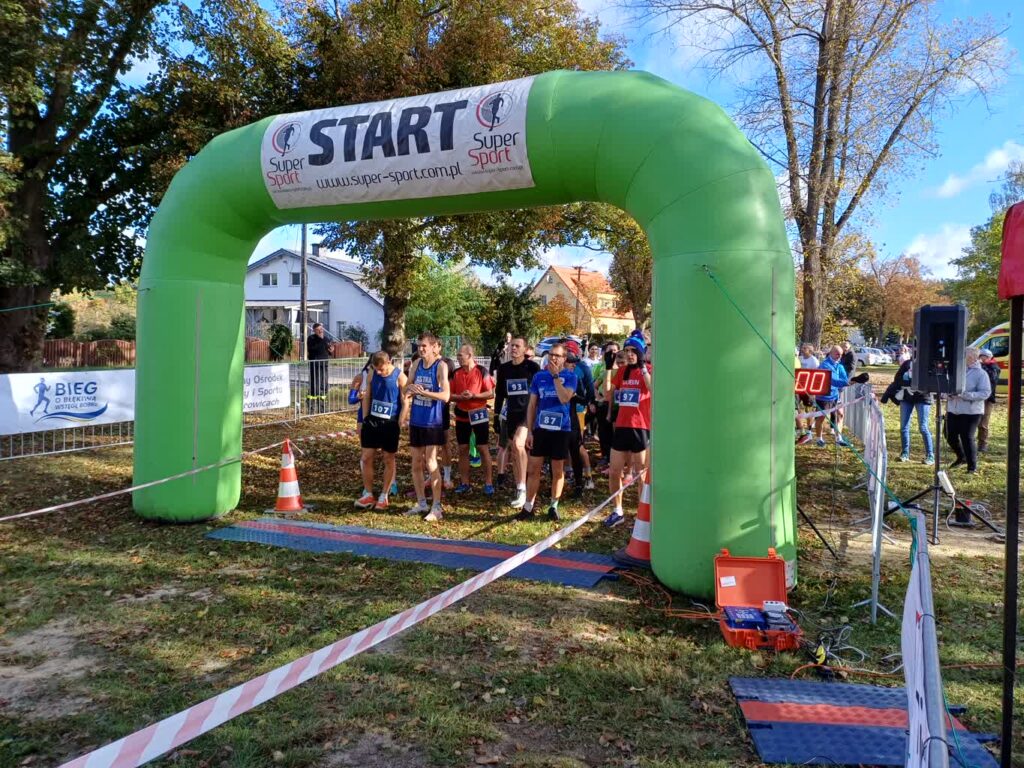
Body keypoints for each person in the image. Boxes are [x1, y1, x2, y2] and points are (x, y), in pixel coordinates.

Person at [518, 343, 577, 521]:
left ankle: (553, 505)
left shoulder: (570, 376)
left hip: (561, 429)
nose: (553, 358)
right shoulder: (539, 377)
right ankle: (528, 506)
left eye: (558, 355)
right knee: (533, 468)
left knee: (557, 470)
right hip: (541, 429)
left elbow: (565, 398)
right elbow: (532, 405)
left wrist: (556, 377)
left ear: (564, 358)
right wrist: (529, 431)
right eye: (551, 354)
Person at [603, 332, 652, 527]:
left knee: (641, 474)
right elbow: (607, 393)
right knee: (615, 471)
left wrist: (643, 368)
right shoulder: (622, 372)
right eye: (628, 351)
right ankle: (618, 510)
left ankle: (642, 515)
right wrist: (608, 368)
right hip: (622, 426)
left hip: (641, 427)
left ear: (641, 353)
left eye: (634, 351)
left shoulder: (648, 369)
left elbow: (652, 389)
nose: (630, 354)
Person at [404, 333, 450, 521]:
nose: (421, 349)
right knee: (416, 463)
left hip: (433, 421)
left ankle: (437, 506)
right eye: (419, 346)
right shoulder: (415, 364)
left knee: (431, 462)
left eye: (424, 346)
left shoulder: (441, 366)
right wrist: (411, 390)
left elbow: (446, 396)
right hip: (417, 420)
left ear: (433, 347)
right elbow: (406, 389)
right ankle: (422, 502)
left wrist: (427, 393)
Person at [355, 351, 408, 510]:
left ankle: (384, 495)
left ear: (389, 362)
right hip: (372, 420)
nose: (378, 372)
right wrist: (365, 418)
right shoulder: (372, 373)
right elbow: (367, 396)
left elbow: (405, 402)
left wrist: (401, 420)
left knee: (388, 458)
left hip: (390, 423)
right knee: (366, 457)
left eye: (381, 369)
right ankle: (368, 494)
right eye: (376, 369)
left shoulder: (400, 376)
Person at [495, 337, 541, 508]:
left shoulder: (532, 367)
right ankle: (521, 487)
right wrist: (496, 415)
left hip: (528, 413)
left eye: (517, 346)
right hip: (511, 414)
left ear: (525, 349)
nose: (513, 348)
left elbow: (539, 392)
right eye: (511, 345)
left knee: (518, 445)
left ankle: (522, 489)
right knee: (516, 454)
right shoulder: (504, 369)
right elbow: (500, 393)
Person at [451, 344, 495, 495]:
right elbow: (448, 394)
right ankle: (465, 483)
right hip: (462, 415)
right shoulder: (455, 373)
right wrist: (459, 397)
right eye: (457, 356)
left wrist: (474, 396)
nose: (458, 358)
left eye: (460, 355)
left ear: (470, 355)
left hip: (479, 414)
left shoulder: (482, 371)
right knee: (462, 449)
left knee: (482, 448)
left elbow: (490, 393)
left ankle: (488, 483)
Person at [946, 347, 991, 474]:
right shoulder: (956, 370)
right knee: (949, 435)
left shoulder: (981, 374)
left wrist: (965, 395)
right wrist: (947, 394)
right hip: (953, 409)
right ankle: (962, 457)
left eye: (963, 355)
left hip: (971, 412)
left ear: (972, 358)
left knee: (967, 437)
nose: (960, 358)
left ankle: (972, 467)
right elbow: (947, 385)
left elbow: (985, 393)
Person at [889, 355, 934, 465]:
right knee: (904, 427)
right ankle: (905, 453)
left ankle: (930, 455)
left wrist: (916, 384)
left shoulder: (929, 364)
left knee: (923, 427)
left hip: (923, 398)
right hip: (907, 398)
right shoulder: (907, 363)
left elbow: (930, 381)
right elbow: (897, 379)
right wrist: (907, 381)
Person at [564, 346, 596, 498]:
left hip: (577, 411)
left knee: (579, 446)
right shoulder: (552, 371)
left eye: (574, 360)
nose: (573, 363)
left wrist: (586, 402)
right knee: (564, 447)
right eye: (570, 360)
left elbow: (588, 391)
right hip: (560, 414)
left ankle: (588, 477)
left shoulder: (582, 368)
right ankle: (568, 473)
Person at [814, 345, 850, 447]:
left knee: (840, 414)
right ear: (831, 353)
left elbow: (845, 379)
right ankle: (819, 438)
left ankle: (839, 438)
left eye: (841, 355)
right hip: (824, 396)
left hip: (835, 395)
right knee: (821, 418)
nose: (839, 356)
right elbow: (833, 380)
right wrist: (845, 383)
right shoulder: (825, 365)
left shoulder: (840, 366)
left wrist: (847, 382)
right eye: (837, 354)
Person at [592, 342, 620, 466]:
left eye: (615, 350)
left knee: (616, 433)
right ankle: (605, 456)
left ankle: (616, 458)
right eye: (610, 350)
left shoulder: (622, 369)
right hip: (604, 404)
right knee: (603, 432)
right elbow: (594, 386)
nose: (612, 353)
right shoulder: (604, 370)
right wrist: (598, 397)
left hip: (617, 405)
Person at [306, 323, 333, 413]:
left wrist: (331, 351)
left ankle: (323, 409)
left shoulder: (326, 339)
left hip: (324, 365)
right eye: (318, 329)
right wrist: (321, 340)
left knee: (323, 385)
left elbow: (328, 351)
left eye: (321, 329)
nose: (320, 331)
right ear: (314, 330)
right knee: (314, 386)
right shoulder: (311, 338)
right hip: (315, 365)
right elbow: (313, 349)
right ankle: (311, 409)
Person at [796, 343, 819, 443]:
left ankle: (809, 431)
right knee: (797, 408)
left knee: (809, 410)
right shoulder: (800, 359)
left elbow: (817, 375)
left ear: (810, 351)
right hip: (798, 387)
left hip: (809, 389)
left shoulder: (814, 361)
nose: (802, 349)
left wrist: (813, 391)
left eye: (805, 348)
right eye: (802, 347)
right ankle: (800, 430)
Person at [978, 348, 1000, 452]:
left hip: (988, 399)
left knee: (983, 423)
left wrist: (981, 366)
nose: (981, 358)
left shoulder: (994, 367)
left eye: (983, 356)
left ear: (989, 357)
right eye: (980, 356)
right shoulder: (979, 366)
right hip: (978, 398)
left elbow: (992, 378)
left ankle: (983, 444)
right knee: (974, 421)